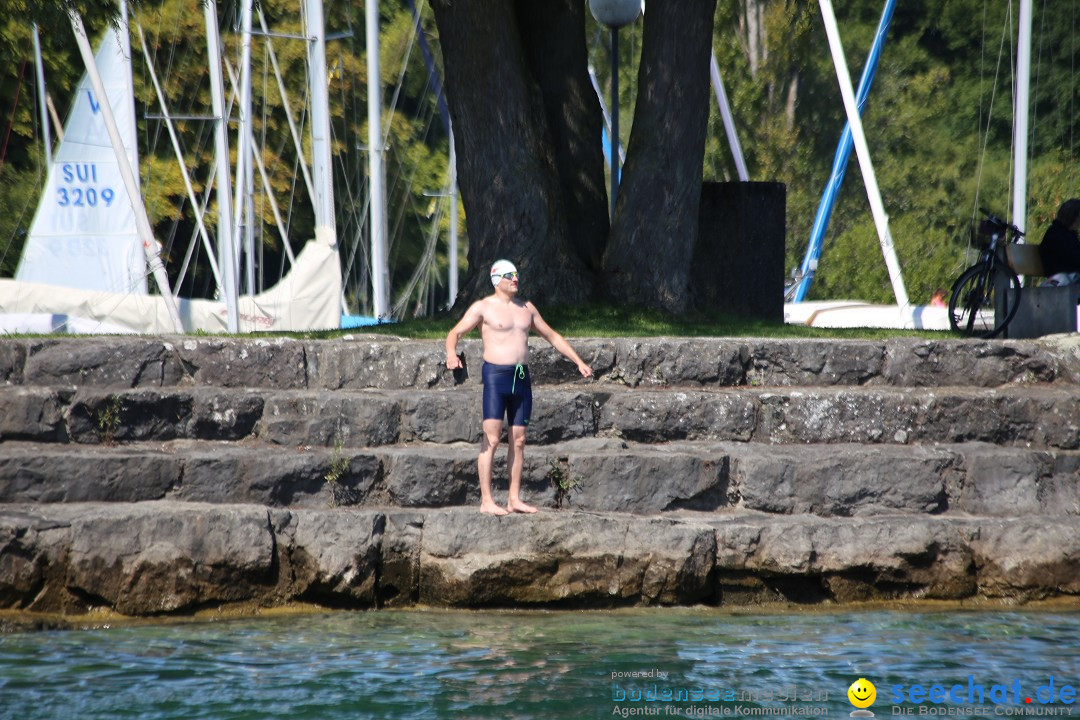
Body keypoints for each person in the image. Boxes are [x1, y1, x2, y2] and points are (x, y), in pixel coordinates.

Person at [445, 259, 593, 515]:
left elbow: (552, 336)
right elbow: (454, 333)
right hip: (496, 376)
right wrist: (451, 354)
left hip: (521, 377)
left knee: (520, 439)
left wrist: (578, 361)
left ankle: (514, 498)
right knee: (492, 438)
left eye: (517, 275)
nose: (516, 279)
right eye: (510, 275)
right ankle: (487, 501)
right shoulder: (483, 308)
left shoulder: (526, 308)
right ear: (497, 280)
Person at [1038, 198, 1080, 282]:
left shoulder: (1068, 234)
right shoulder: (1056, 234)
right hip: (1061, 277)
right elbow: (1072, 257)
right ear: (1074, 216)